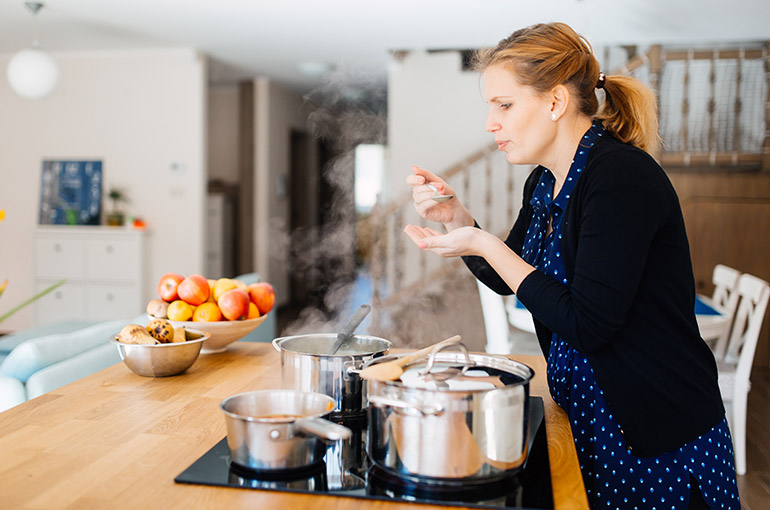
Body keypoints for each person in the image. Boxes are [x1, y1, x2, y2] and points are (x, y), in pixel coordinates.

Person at [404, 22, 740, 509]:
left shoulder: (620, 177)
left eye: (504, 105)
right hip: (591, 414)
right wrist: (459, 219)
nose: (490, 123)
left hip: (655, 427)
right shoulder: (545, 183)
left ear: (556, 102)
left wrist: (484, 242)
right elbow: (508, 277)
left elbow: (590, 322)